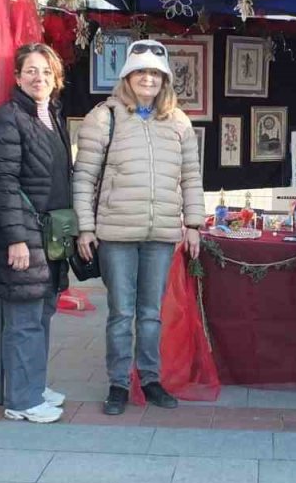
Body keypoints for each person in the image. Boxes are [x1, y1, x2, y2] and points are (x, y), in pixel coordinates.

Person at [73, 39, 205, 416]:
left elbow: (191, 177)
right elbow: (84, 177)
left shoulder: (178, 121)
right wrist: (86, 227)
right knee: (120, 312)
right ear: (127, 76)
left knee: (151, 313)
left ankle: (149, 378)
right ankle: (117, 383)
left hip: (161, 234)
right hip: (115, 233)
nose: (148, 79)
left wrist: (193, 223)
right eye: (141, 72)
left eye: (155, 73)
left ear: (164, 80)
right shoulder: (104, 117)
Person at [0, 43, 72, 423]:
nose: (40, 78)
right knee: (23, 319)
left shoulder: (50, 115)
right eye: (31, 71)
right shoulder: (8, 119)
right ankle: (21, 400)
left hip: (49, 235)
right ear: (17, 77)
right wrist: (16, 238)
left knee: (42, 312)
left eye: (47, 72)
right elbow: (2, 183)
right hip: (24, 236)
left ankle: (32, 384)